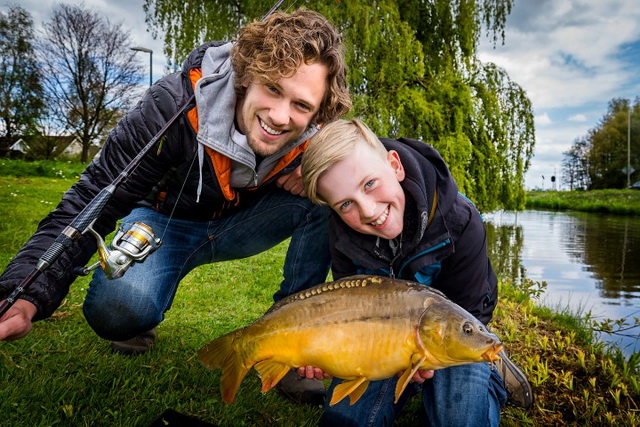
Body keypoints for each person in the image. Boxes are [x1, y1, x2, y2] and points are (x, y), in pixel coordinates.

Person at [0, 8, 350, 404]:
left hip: (241, 224)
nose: (280, 116)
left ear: (318, 111)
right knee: (117, 312)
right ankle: (141, 309)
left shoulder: (320, 136)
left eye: (301, 106)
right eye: (272, 88)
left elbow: (379, 175)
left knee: (334, 193)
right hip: (162, 222)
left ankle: (292, 344)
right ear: (247, 76)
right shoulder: (172, 104)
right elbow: (94, 195)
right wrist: (26, 290)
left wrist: (324, 172)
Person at [301, 118, 533, 425]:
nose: (369, 211)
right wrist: (334, 355)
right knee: (344, 420)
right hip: (384, 337)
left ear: (395, 166)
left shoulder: (461, 221)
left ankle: (493, 366)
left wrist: (429, 359)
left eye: (370, 184)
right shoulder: (343, 234)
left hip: (453, 328)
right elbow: (350, 310)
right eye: (346, 204)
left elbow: (470, 312)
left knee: (459, 419)